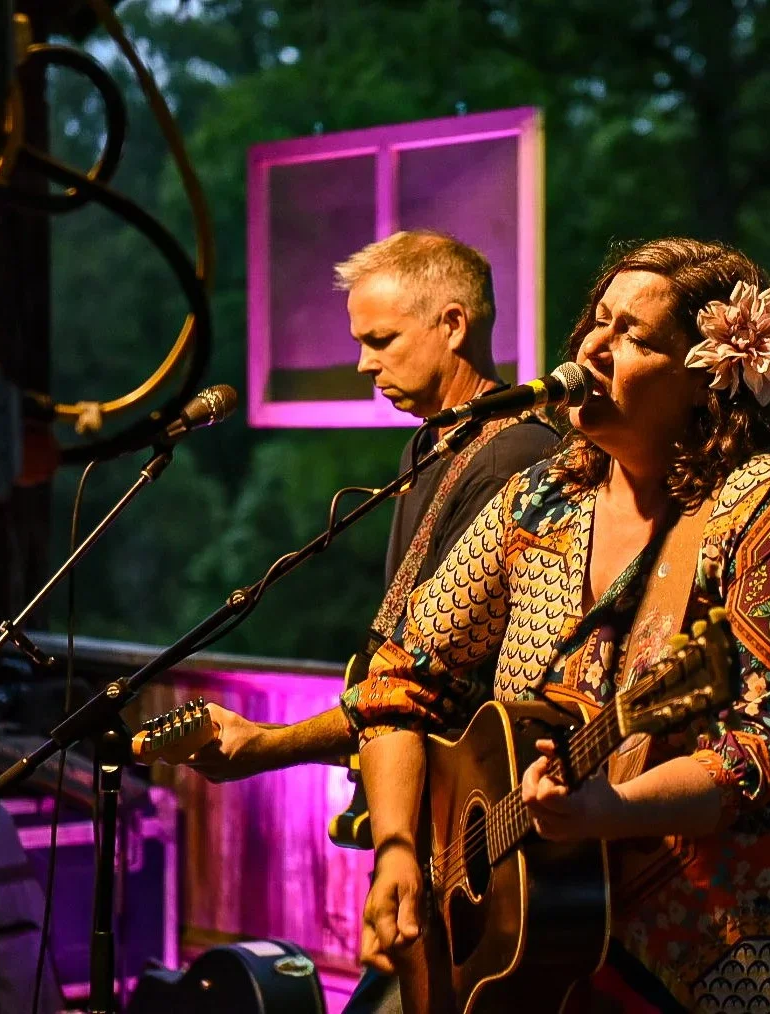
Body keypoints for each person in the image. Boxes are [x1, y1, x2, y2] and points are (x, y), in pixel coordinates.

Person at [347, 237, 770, 1012]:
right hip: (545, 960)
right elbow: (399, 677)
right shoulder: (541, 502)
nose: (595, 347)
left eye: (634, 335)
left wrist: (612, 810)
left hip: (738, 957)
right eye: (597, 322)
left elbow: (766, 755)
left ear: (711, 378)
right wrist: (400, 851)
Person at [184, 230, 559, 1013]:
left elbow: (423, 683)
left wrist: (270, 746)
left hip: (478, 849)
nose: (363, 363)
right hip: (430, 832)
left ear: (453, 325)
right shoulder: (436, 448)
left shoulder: (510, 455)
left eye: (380, 339)